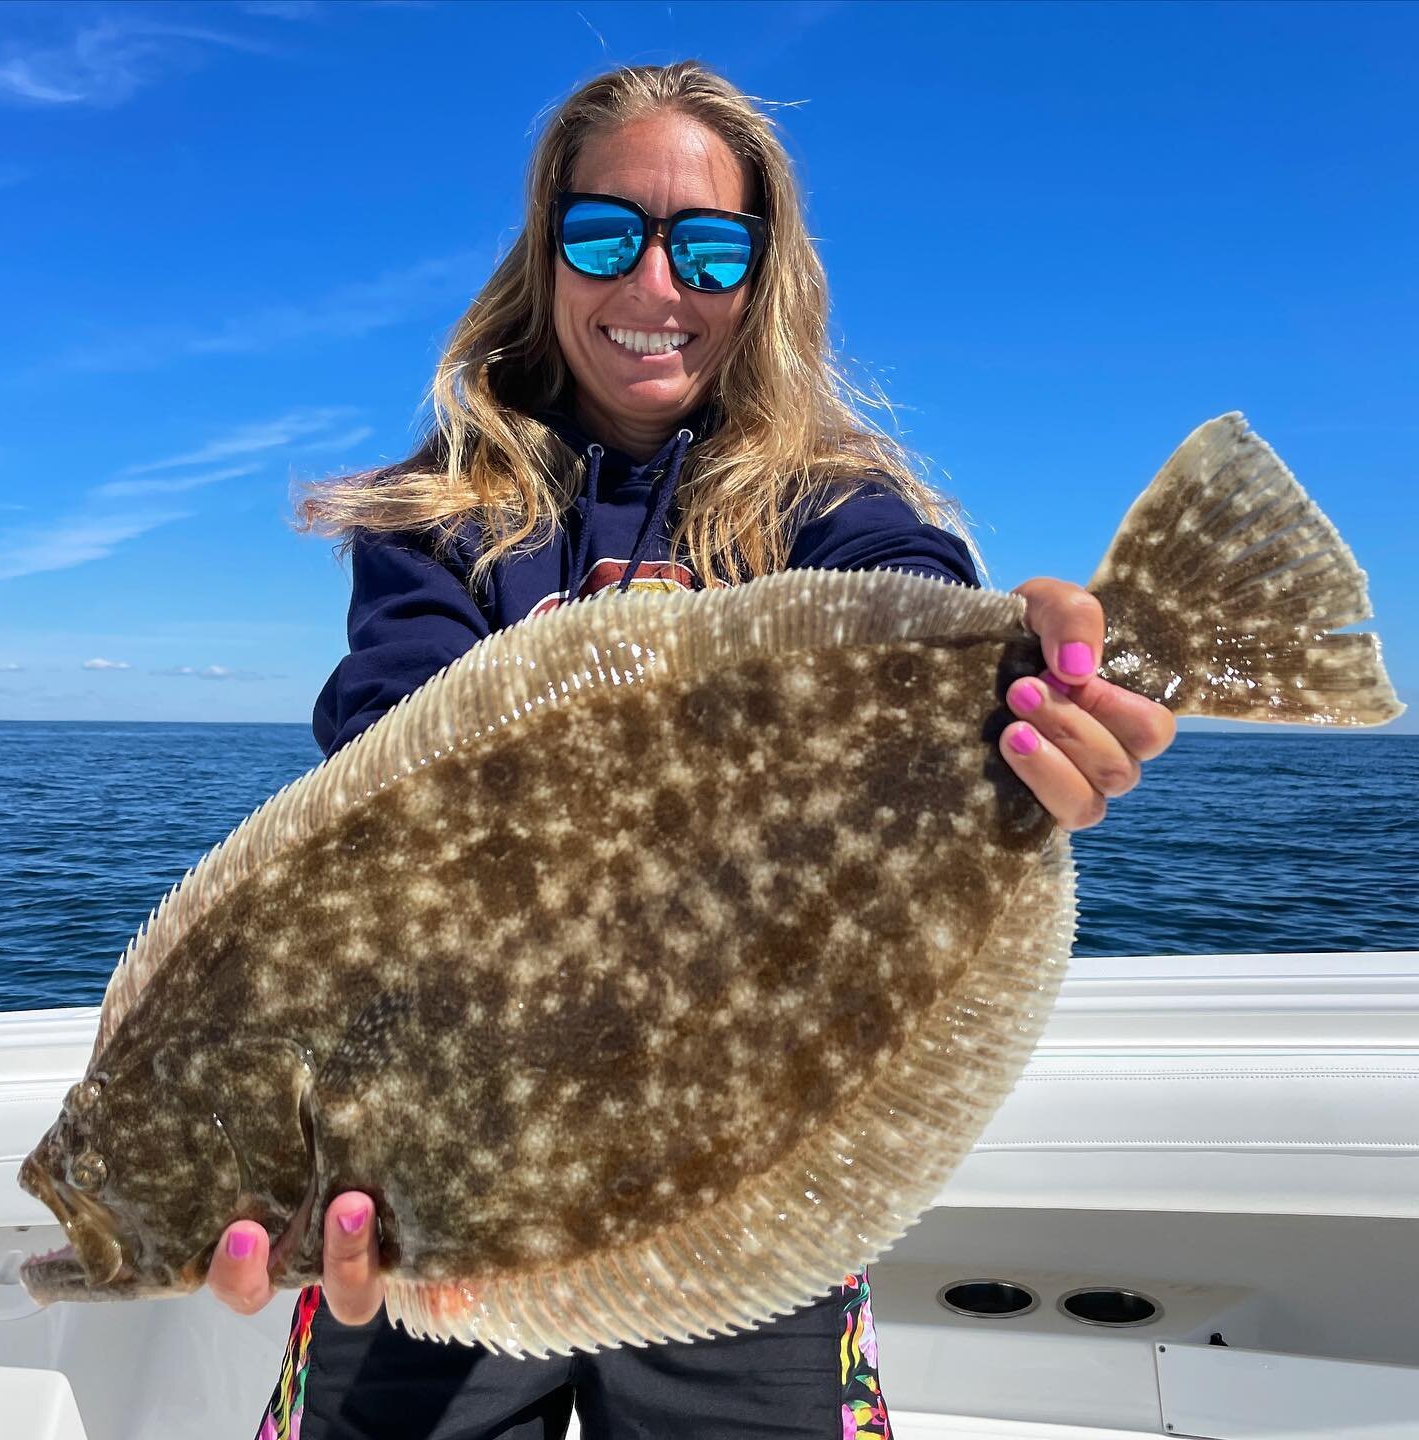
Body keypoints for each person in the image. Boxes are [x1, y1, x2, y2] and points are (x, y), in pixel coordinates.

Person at [212, 59, 1176, 1440]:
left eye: (708, 247)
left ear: (759, 276)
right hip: (451, 1160)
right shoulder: (438, 514)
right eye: (606, 234)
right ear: (545, 253)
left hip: (745, 1144)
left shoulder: (832, 504)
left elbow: (904, 586)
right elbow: (391, 749)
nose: (655, 284)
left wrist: (1031, 668)